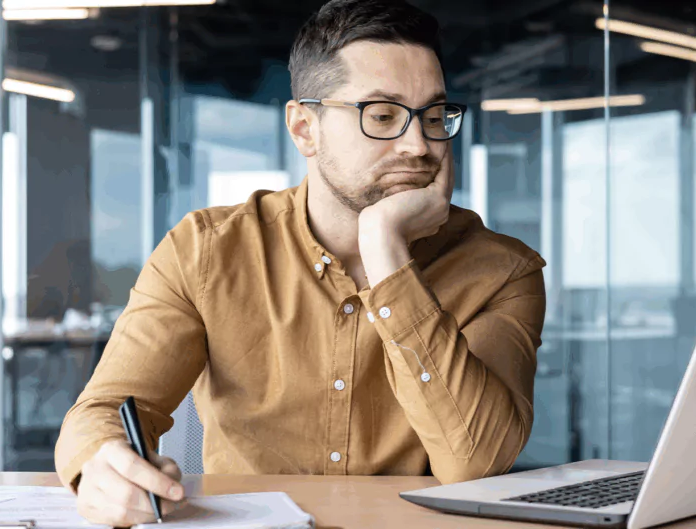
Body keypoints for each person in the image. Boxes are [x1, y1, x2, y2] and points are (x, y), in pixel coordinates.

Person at [55, 0, 547, 525]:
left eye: (432, 116)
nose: (419, 145)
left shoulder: (502, 271)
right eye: (382, 116)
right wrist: (101, 468)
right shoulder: (206, 251)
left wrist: (386, 251)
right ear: (304, 128)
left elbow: (476, 463)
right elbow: (104, 411)